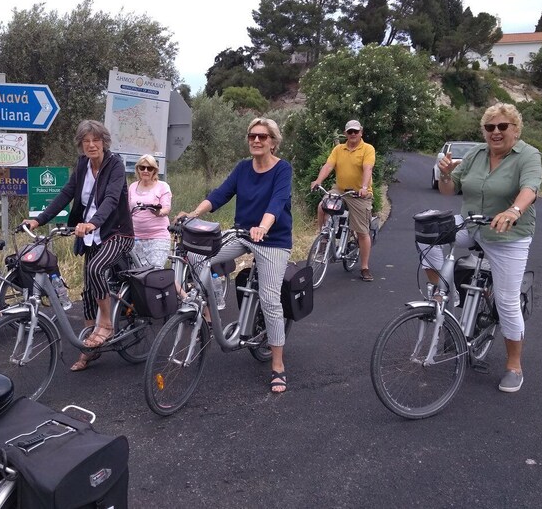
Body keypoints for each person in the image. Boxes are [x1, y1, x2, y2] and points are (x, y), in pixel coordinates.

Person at [423, 102, 541, 393]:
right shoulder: (476, 153)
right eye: (490, 127)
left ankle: (514, 365)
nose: (496, 132)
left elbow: (531, 189)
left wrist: (513, 211)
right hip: (473, 226)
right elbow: (449, 191)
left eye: (503, 126)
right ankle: (446, 297)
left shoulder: (528, 155)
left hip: (508, 235)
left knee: (506, 301)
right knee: (426, 234)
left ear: (516, 129)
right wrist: (447, 174)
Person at [178, 117, 292, 394]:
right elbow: (220, 195)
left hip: (273, 241)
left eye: (263, 137)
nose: (256, 140)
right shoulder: (243, 168)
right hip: (243, 234)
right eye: (252, 135)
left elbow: (277, 202)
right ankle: (208, 310)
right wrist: (192, 215)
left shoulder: (282, 169)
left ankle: (278, 365)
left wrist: (263, 227)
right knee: (197, 256)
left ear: (273, 142)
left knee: (269, 301)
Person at [25, 120, 134, 372]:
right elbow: (66, 194)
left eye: (96, 140)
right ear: (81, 144)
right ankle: (89, 347)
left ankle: (106, 323)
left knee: (96, 269)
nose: (91, 145)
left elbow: (111, 198)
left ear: (104, 142)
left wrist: (93, 223)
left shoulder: (115, 164)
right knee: (87, 290)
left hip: (116, 232)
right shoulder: (83, 164)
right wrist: (39, 219)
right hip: (89, 234)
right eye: (86, 141)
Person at [310, 119, 376, 282]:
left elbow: (368, 168)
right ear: (345, 133)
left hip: (358, 193)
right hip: (339, 189)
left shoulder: (367, 149)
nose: (353, 134)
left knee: (362, 231)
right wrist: (318, 180)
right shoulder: (339, 149)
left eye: (355, 131)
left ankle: (365, 267)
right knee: (322, 206)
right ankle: (324, 238)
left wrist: (364, 187)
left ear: (361, 132)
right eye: (349, 132)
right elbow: (328, 166)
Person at [128, 154, 172, 268]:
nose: (145, 171)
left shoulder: (163, 186)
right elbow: (128, 210)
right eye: (142, 168)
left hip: (158, 237)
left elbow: (166, 209)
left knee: (154, 271)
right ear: (138, 169)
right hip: (135, 237)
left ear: (154, 171)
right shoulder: (132, 187)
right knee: (136, 274)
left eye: (149, 168)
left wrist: (158, 212)